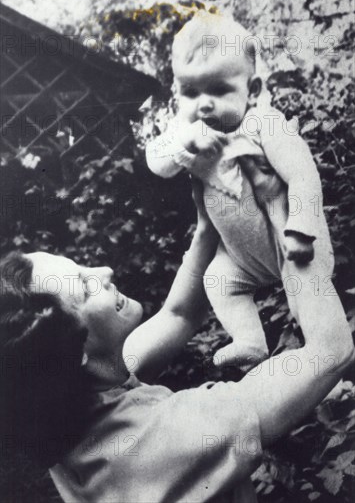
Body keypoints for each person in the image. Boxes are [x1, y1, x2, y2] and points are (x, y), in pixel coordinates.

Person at [0, 180, 353, 503]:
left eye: (81, 266)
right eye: (86, 286)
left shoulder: (73, 404)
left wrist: (207, 226)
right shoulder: (161, 440)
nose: (104, 272)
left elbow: (179, 314)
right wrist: (284, 217)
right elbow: (330, 352)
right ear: (72, 352)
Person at [146, 10, 335, 369]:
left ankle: (323, 372)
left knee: (305, 305)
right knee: (218, 280)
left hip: (290, 242)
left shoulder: (264, 123)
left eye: (219, 90)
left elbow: (302, 174)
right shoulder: (184, 130)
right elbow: (157, 162)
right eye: (190, 91)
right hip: (239, 257)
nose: (203, 104)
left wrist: (301, 228)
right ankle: (249, 340)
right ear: (176, 90)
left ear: (253, 90)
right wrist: (182, 145)